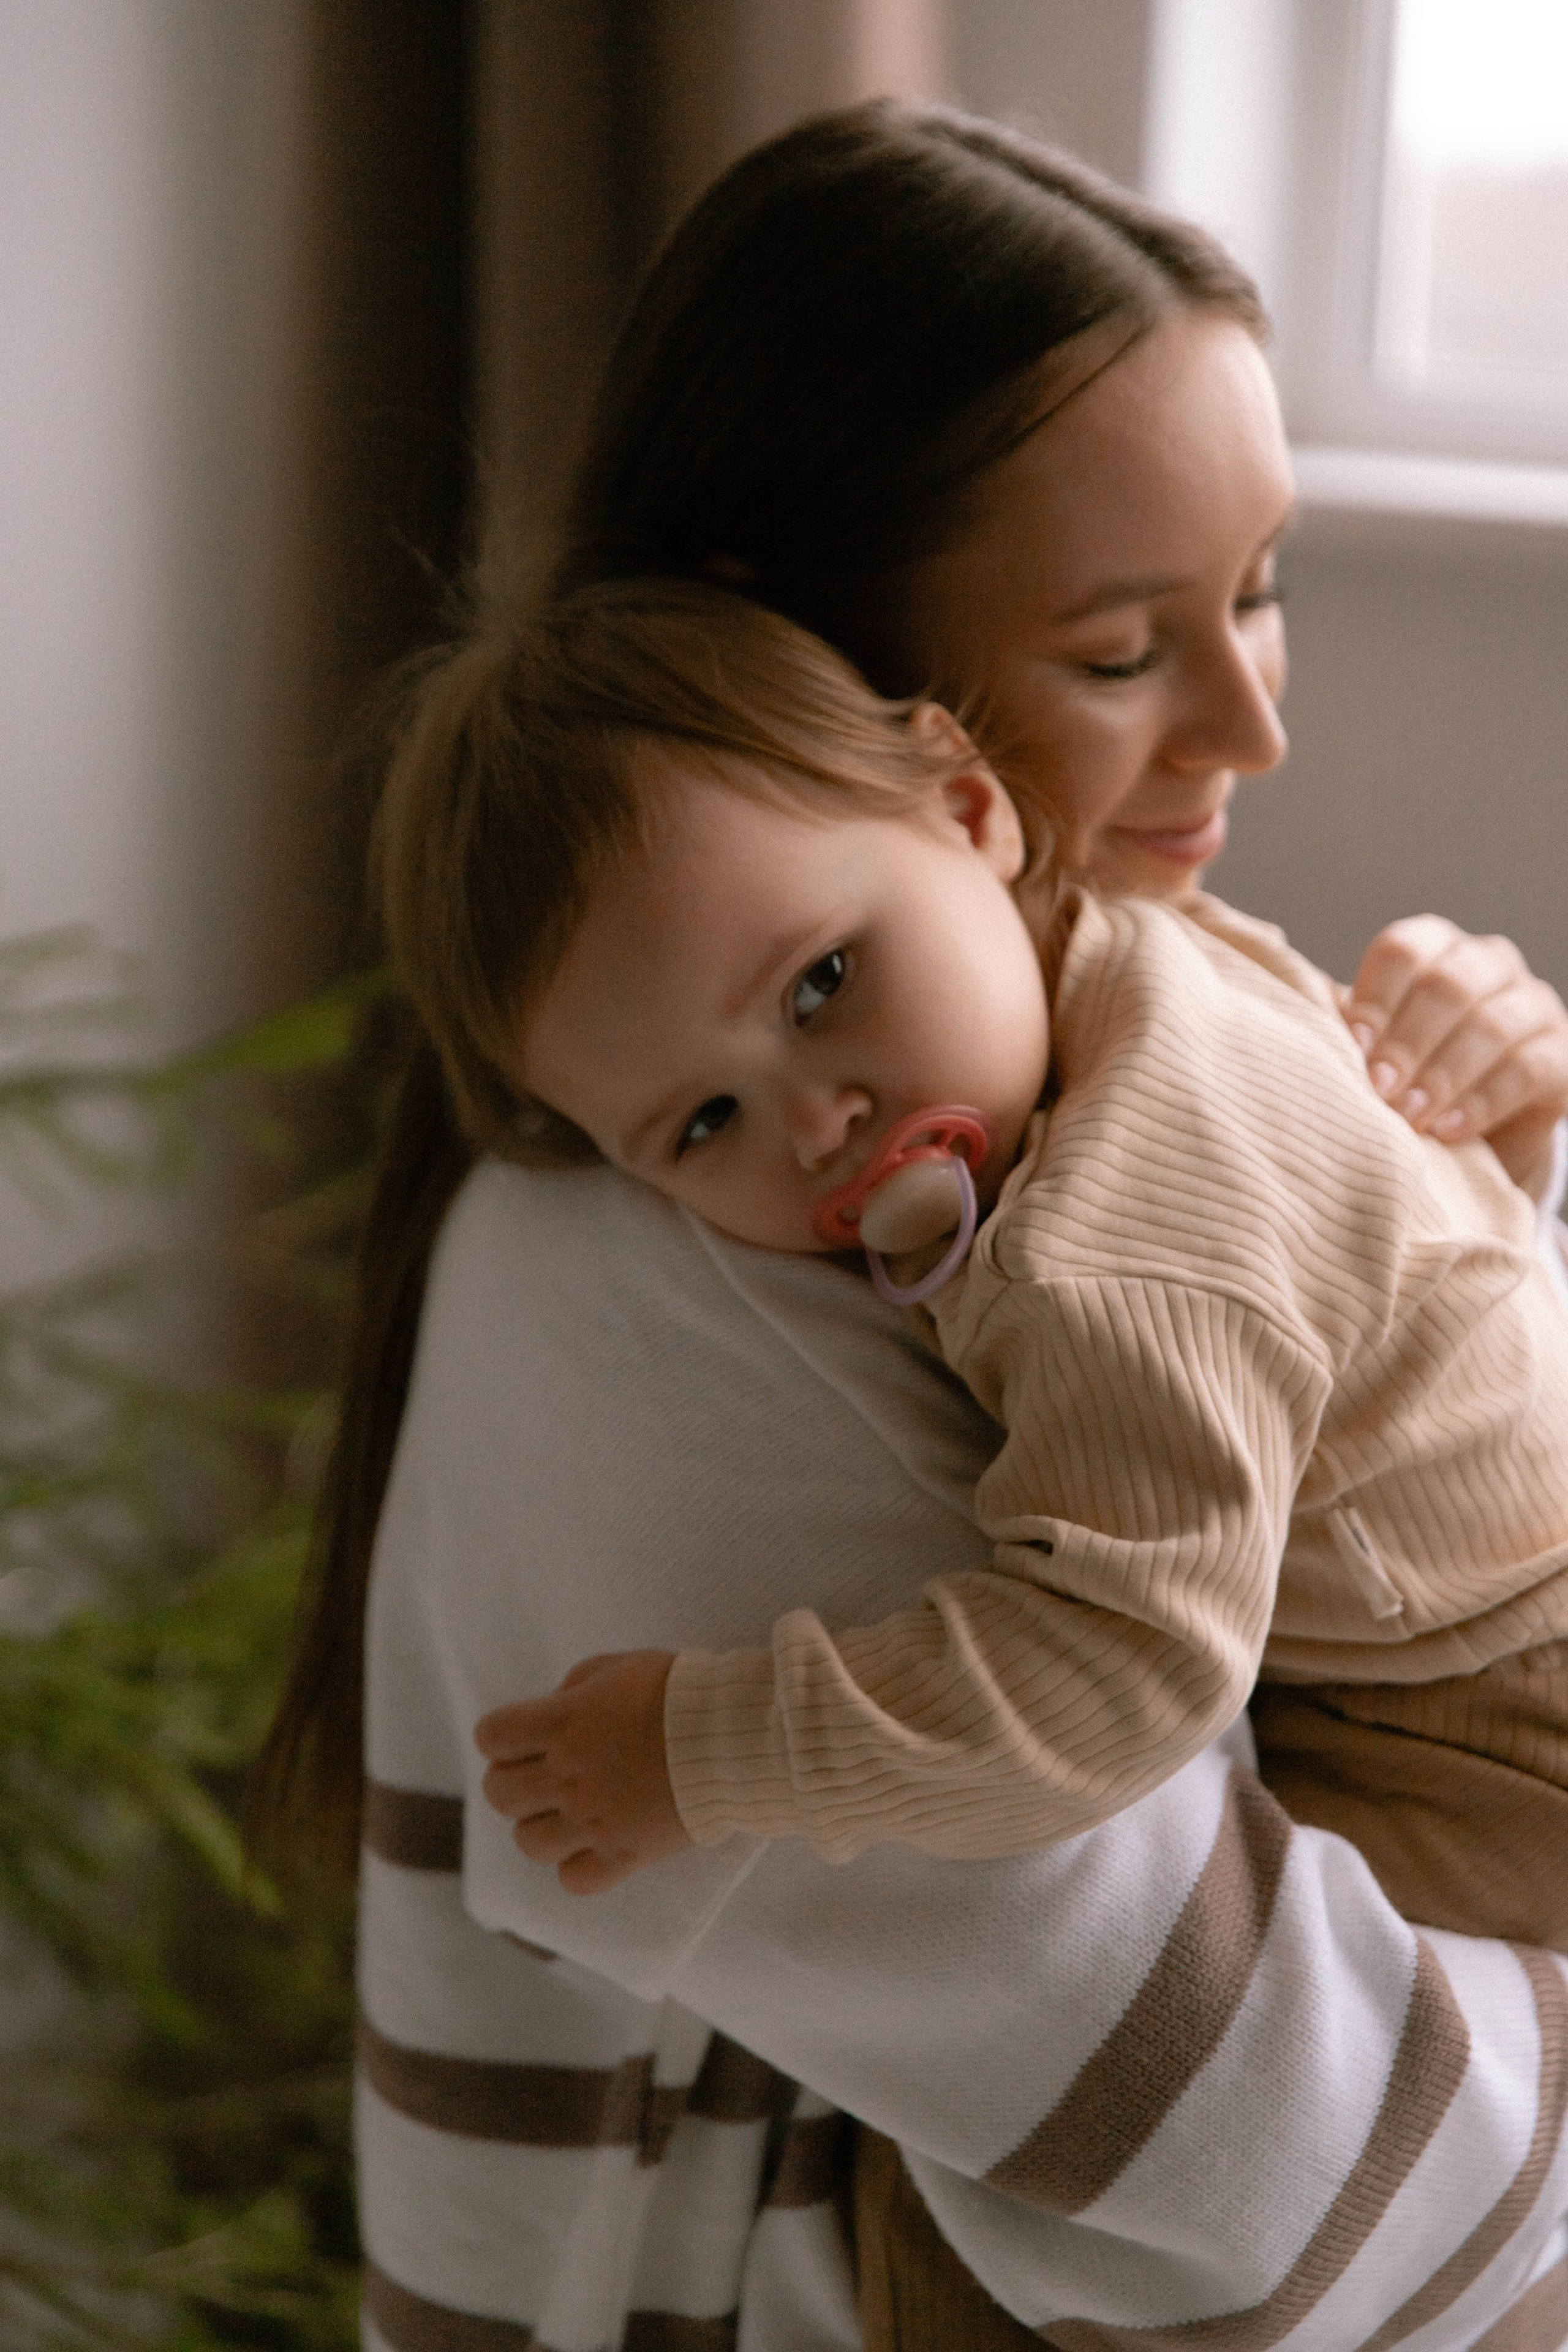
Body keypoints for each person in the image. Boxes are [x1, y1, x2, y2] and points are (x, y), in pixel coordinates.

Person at [257, 105, 1568, 2348]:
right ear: (856, 685)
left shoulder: (1058, 1045)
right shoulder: (676, 1271)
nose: (1252, 717)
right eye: (1124, 645)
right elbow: (1297, 2181)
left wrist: (1462, 1190)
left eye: (1258, 589)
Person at [443, 575, 1568, 1955]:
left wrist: (706, 1754)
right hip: (1475, 1591)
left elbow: (1114, 1673)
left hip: (1498, 1718)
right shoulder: (1125, 961)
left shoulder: (1121, 1236)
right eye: (702, 1123)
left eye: (821, 983)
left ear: (970, 810)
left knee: (1163, 2019)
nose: (815, 1125)